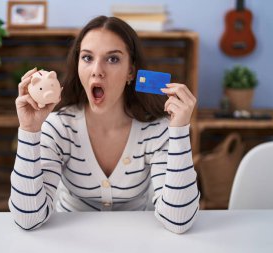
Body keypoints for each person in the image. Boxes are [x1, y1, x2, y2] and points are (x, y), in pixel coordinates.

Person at [10, 15, 199, 234]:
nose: (97, 70)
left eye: (112, 59)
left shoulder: (156, 130)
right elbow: (27, 219)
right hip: (67, 241)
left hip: (138, 241)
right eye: (87, 58)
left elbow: (179, 221)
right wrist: (29, 130)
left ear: (131, 71)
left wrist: (179, 132)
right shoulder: (58, 127)